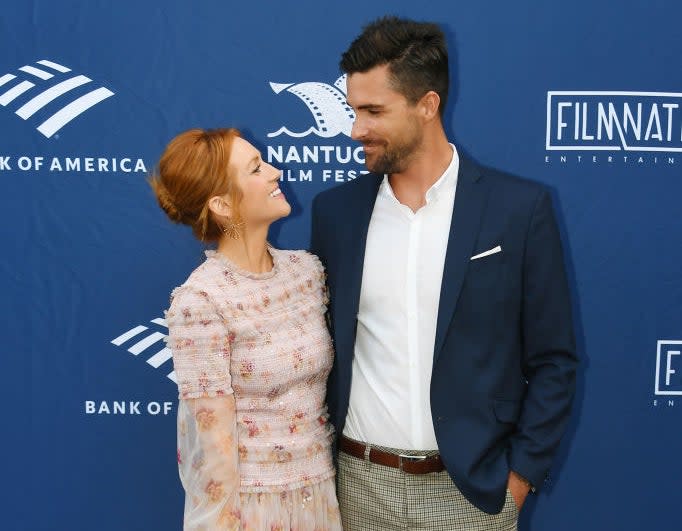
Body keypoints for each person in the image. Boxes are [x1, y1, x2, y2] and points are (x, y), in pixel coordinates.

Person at [310, 16, 578, 531]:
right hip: (356, 485)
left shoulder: (517, 210)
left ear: (427, 105)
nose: (355, 129)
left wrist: (518, 480)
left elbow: (554, 360)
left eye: (373, 111)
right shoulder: (335, 214)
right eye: (353, 110)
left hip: (472, 491)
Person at [151, 128, 342, 530]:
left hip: (322, 496)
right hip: (252, 509)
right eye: (256, 169)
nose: (275, 172)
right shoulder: (200, 301)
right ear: (221, 204)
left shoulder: (307, 273)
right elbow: (213, 450)